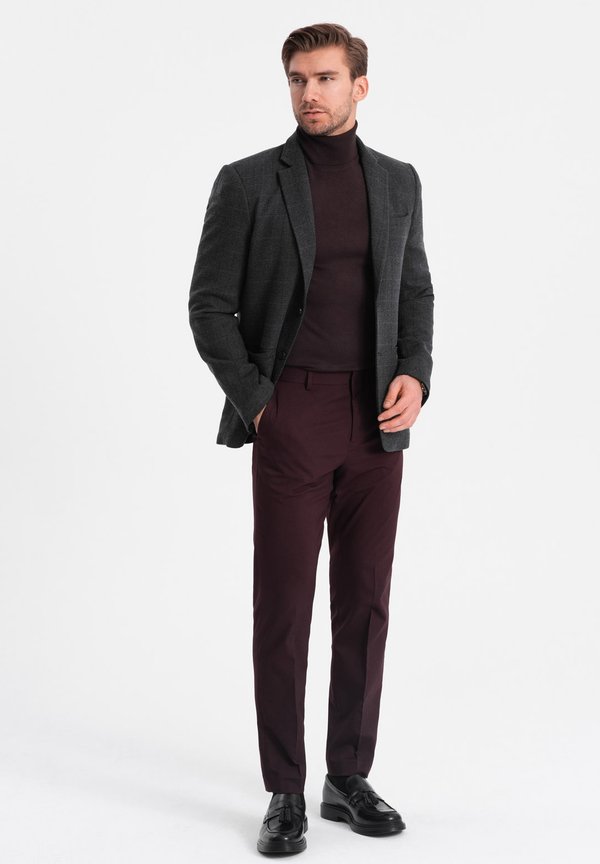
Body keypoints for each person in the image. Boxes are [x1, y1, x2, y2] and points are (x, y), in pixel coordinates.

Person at [188, 22, 434, 856]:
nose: (309, 94)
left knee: (365, 603)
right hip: (291, 414)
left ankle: (347, 777)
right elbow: (208, 307)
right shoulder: (250, 182)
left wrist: (416, 373)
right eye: (297, 79)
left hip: (377, 420)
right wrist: (261, 404)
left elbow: (416, 291)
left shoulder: (397, 181)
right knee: (285, 607)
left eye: (325, 78)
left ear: (360, 86)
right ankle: (285, 789)